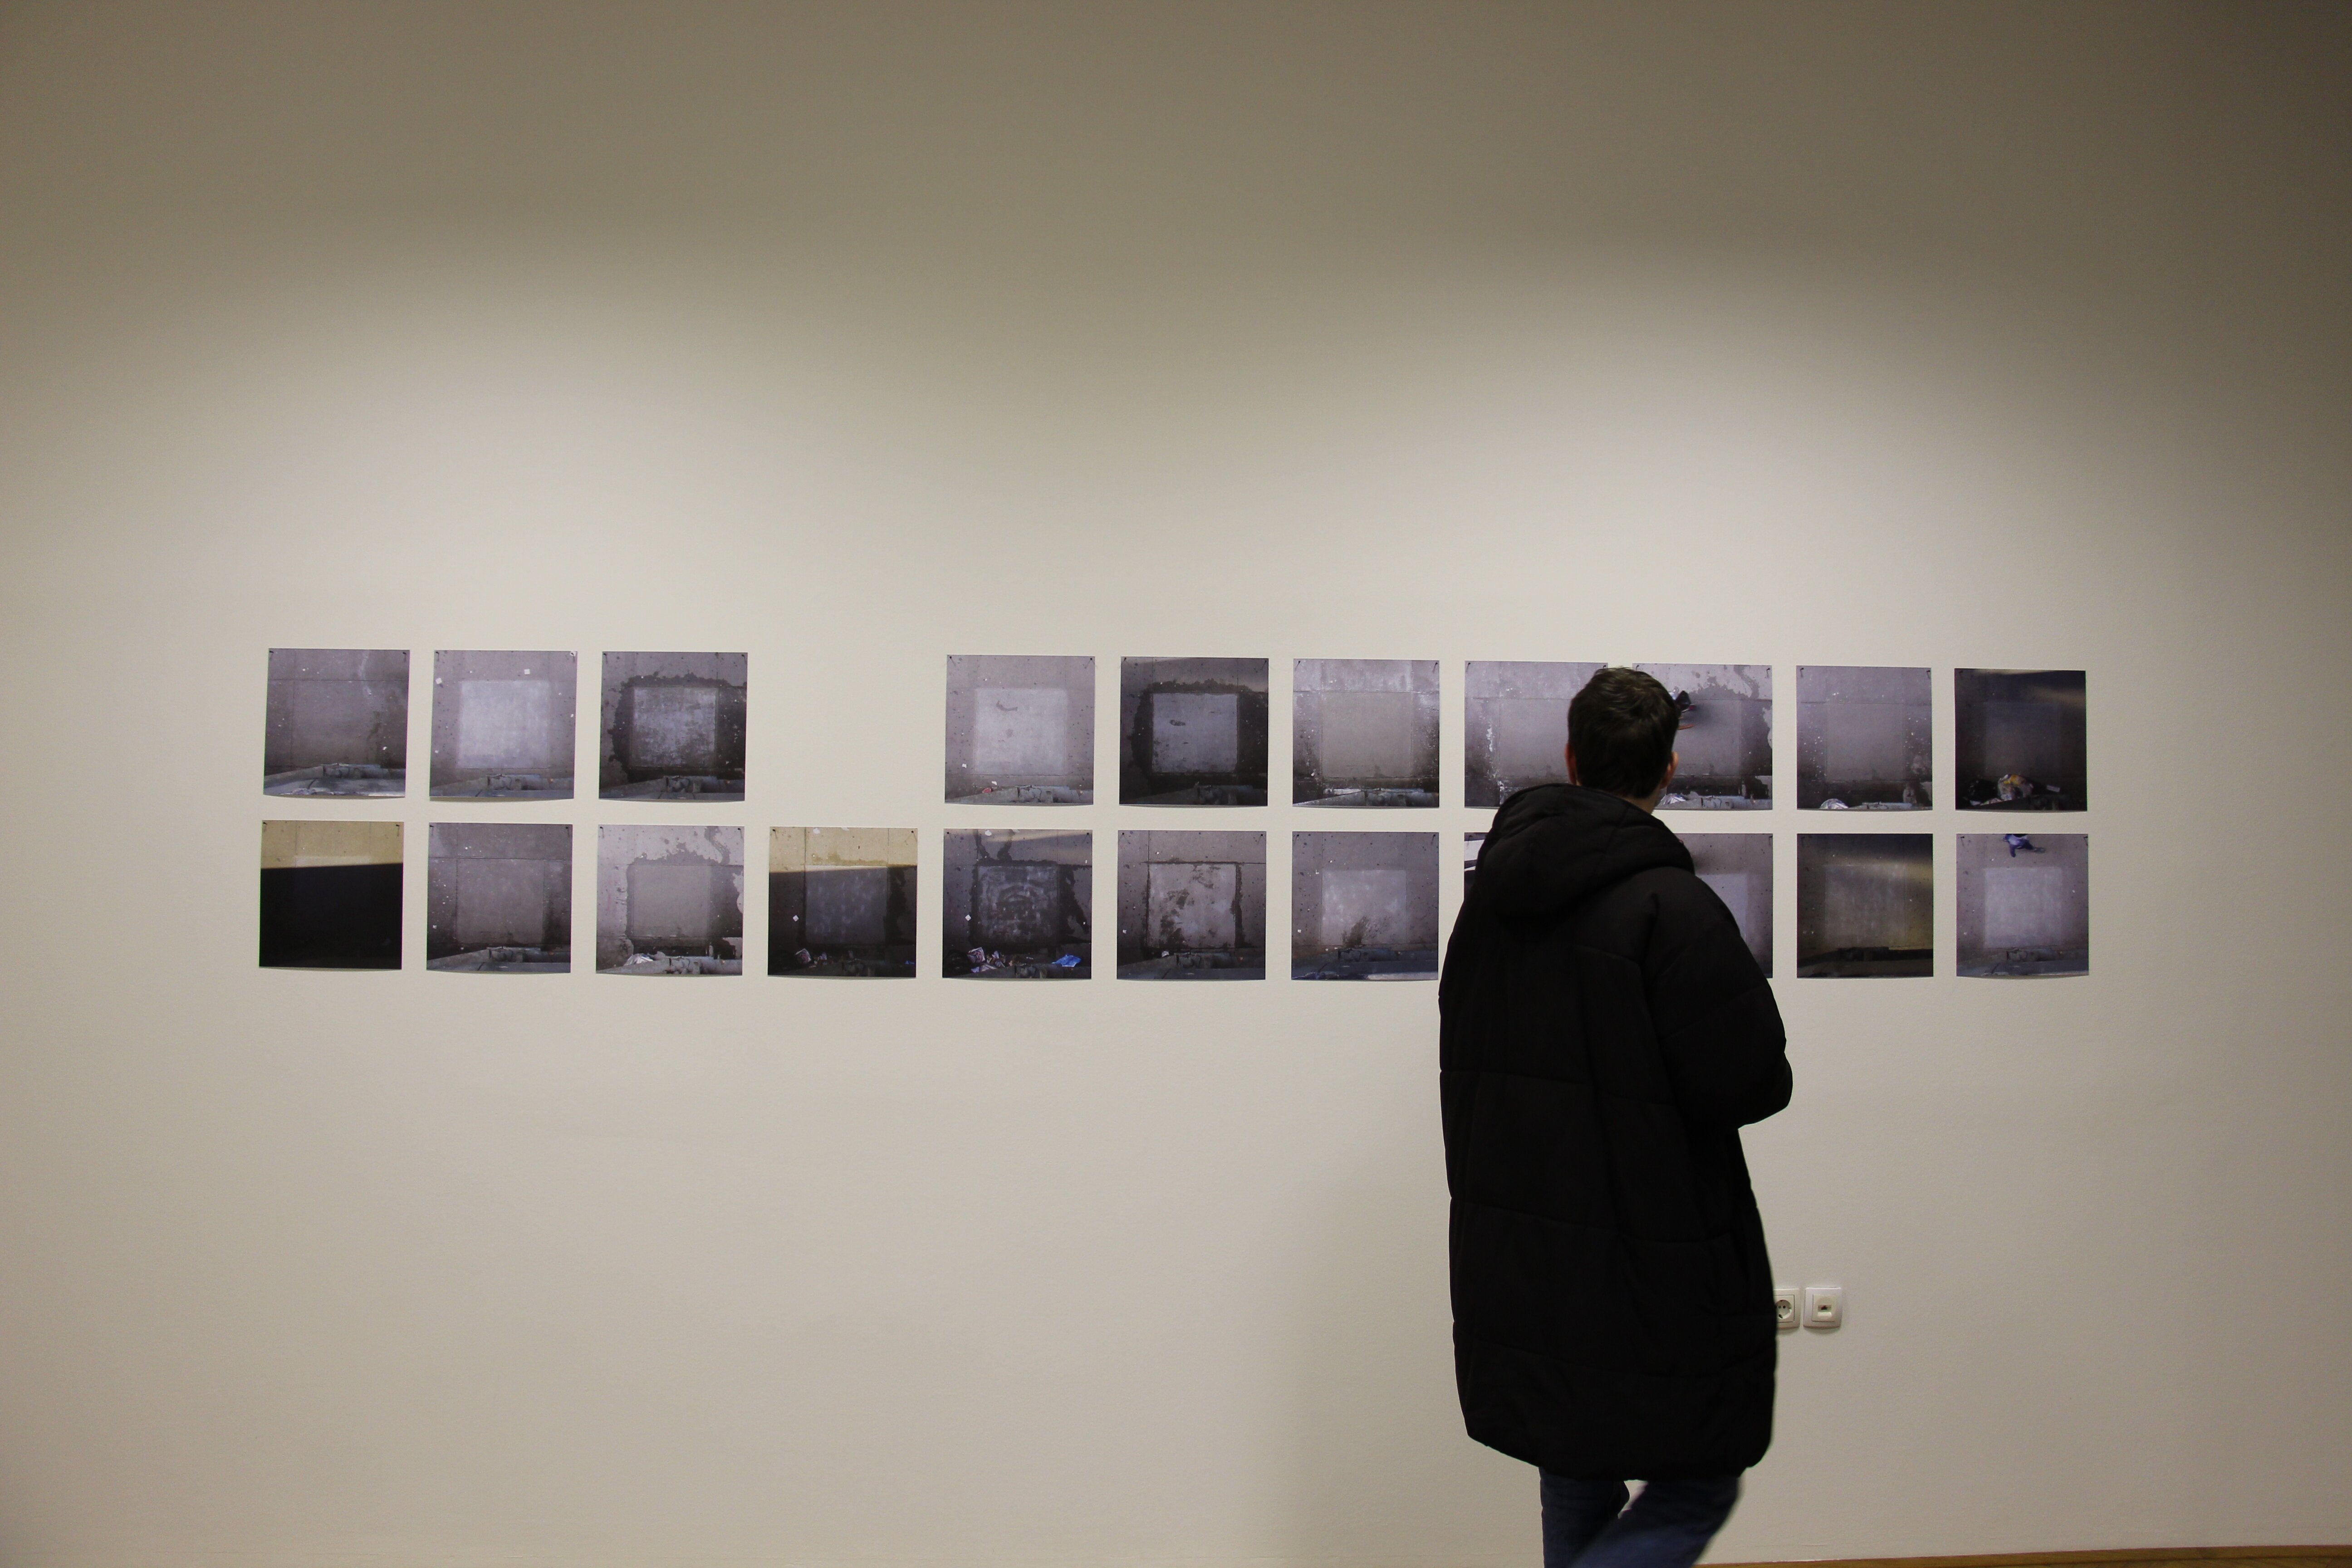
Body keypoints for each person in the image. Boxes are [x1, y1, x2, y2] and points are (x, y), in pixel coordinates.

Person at [1440, 666, 1793, 1568]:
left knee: (1574, 1464)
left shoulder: (1491, 908)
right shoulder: (1674, 909)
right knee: (1701, 1480)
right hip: (1648, 1251)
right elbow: (1750, 1083)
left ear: (1571, 758)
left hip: (1525, 1244)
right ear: (1669, 768)